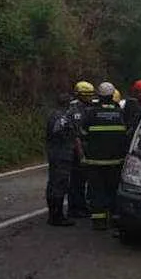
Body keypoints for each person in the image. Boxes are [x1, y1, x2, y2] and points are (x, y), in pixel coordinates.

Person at [80, 82, 128, 230]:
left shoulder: (91, 113)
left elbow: (82, 134)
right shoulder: (120, 113)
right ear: (113, 95)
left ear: (99, 95)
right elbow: (127, 135)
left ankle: (99, 221)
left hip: (95, 161)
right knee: (113, 189)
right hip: (115, 161)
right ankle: (114, 219)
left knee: (96, 190)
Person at [45, 92, 78, 226]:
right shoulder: (62, 118)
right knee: (59, 184)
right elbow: (60, 132)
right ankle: (56, 216)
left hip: (55, 153)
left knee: (53, 183)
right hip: (62, 154)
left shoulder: (53, 115)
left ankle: (53, 214)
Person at [66, 81, 97, 219]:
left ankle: (82, 205)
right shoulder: (74, 110)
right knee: (77, 180)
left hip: (87, 146)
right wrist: (81, 154)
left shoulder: (89, 106)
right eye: (87, 95)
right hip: (77, 148)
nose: (90, 98)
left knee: (85, 179)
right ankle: (75, 208)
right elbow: (77, 135)